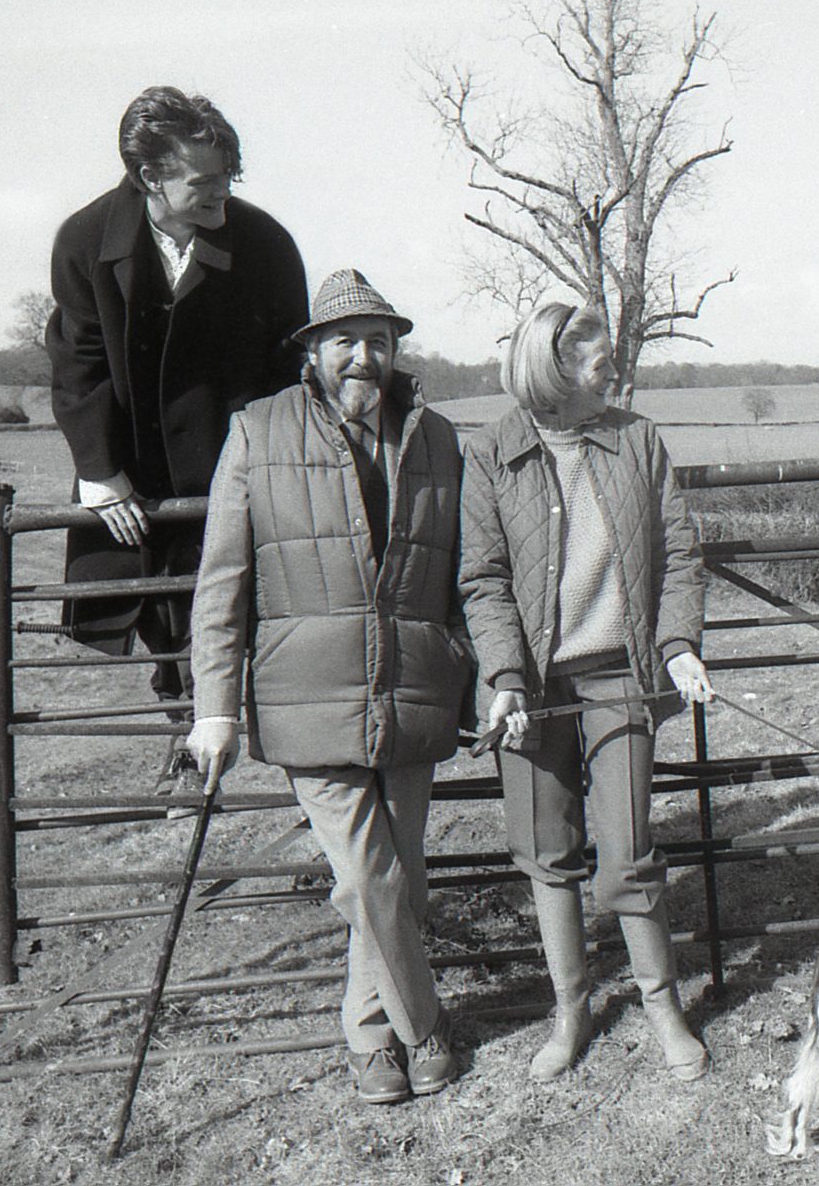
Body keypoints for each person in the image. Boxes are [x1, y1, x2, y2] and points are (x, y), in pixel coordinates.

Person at [186, 270, 471, 1104]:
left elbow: (467, 574)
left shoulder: (439, 438)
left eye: (380, 340)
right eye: (345, 340)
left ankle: (375, 1039)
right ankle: (422, 1028)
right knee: (367, 878)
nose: (364, 356)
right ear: (312, 351)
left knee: (401, 877)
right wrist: (214, 705)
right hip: (306, 695)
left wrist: (473, 670)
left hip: (414, 688)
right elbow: (222, 579)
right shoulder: (256, 433)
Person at [459, 300, 716, 1084]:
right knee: (547, 853)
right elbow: (483, 579)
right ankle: (572, 1012)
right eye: (603, 365)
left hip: (623, 677)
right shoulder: (491, 454)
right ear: (555, 368)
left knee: (628, 850)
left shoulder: (637, 438)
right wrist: (504, 676)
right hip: (530, 689)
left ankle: (661, 1004)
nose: (618, 374)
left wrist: (677, 648)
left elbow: (678, 551)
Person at [46, 86, 308, 795]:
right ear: (148, 177)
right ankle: (180, 728)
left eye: (228, 174)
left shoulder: (266, 246)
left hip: (231, 463)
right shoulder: (84, 241)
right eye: (203, 179)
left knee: (218, 604)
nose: (222, 189)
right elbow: (78, 361)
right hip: (129, 468)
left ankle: (206, 748)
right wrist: (100, 472)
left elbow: (288, 371)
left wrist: (261, 469)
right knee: (150, 609)